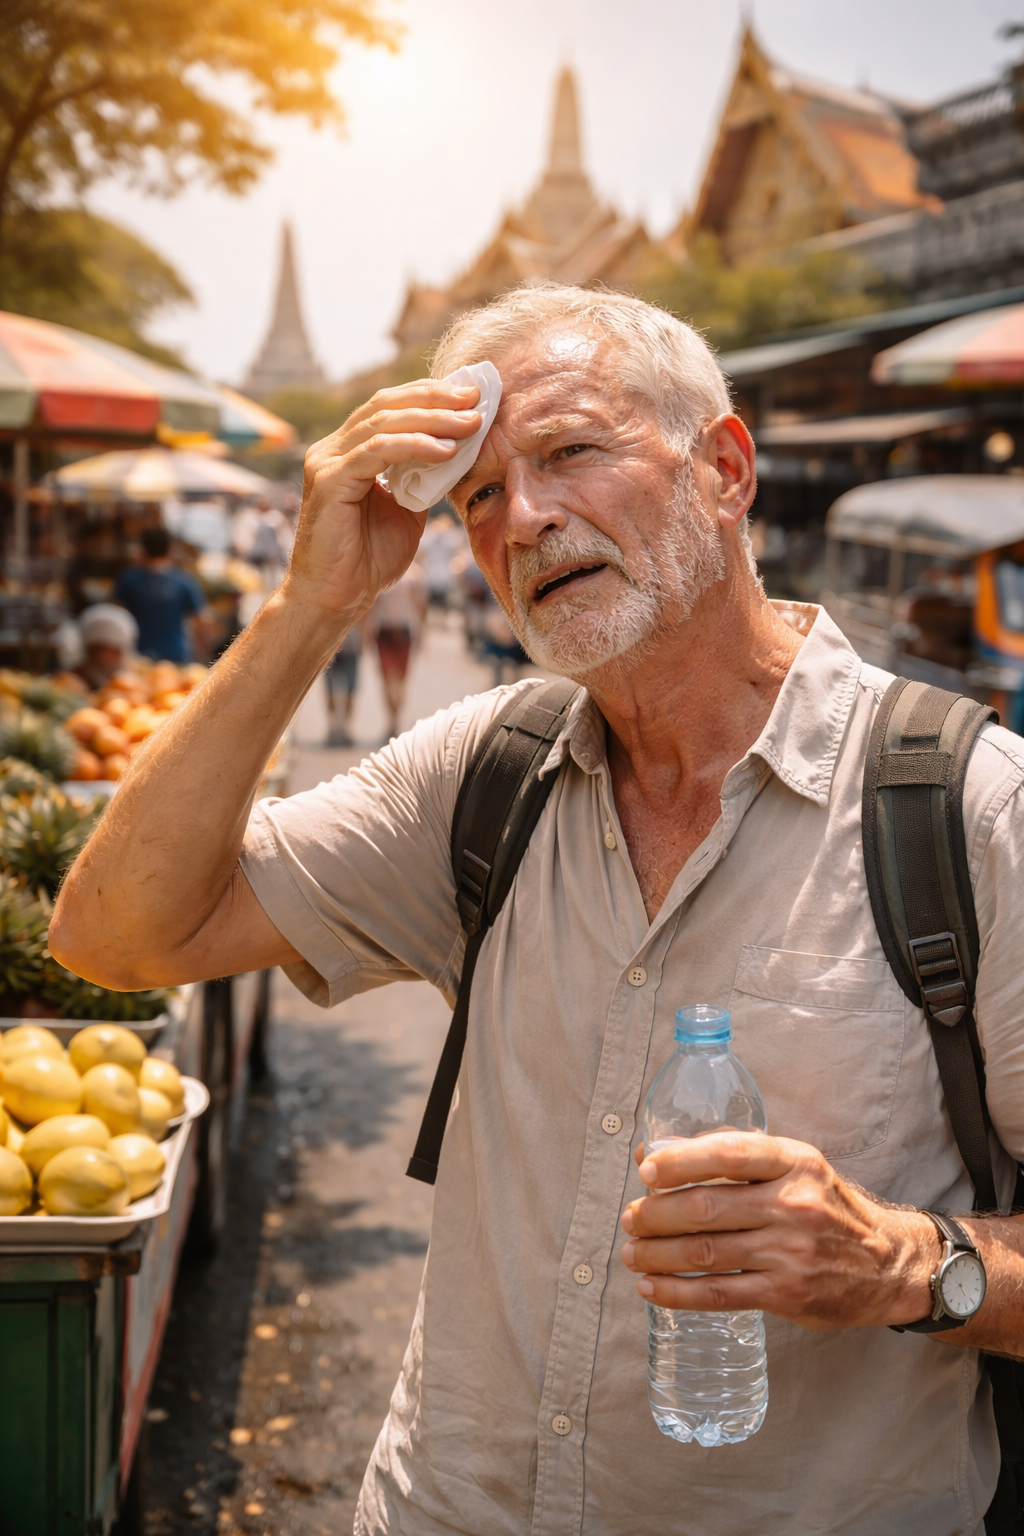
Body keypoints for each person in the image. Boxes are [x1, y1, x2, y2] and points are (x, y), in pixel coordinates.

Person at [51, 285, 1024, 1536]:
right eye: (478, 497)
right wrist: (310, 607)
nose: (524, 519)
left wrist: (905, 1265)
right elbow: (118, 937)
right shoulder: (481, 774)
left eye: (570, 452)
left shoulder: (967, 812)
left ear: (724, 471)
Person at [112, 526, 213, 663]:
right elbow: (202, 621)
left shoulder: (129, 579)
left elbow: (114, 617)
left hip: (137, 656)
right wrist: (200, 654)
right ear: (169, 550)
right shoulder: (184, 581)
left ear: (143, 550)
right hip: (175, 654)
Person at [365, 562, 426, 741]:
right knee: (395, 680)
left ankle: (393, 720)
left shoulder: (388, 572)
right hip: (392, 630)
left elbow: (372, 604)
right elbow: (420, 605)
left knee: (393, 681)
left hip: (394, 630)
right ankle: (394, 720)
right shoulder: (413, 574)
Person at [74, 603, 139, 689]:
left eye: (113, 651)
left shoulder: (134, 680)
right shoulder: (75, 680)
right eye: (97, 650)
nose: (104, 657)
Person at [324, 621, 363, 747]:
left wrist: (362, 638)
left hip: (350, 646)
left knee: (350, 690)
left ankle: (346, 727)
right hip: (330, 646)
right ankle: (333, 726)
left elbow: (365, 618)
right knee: (329, 690)